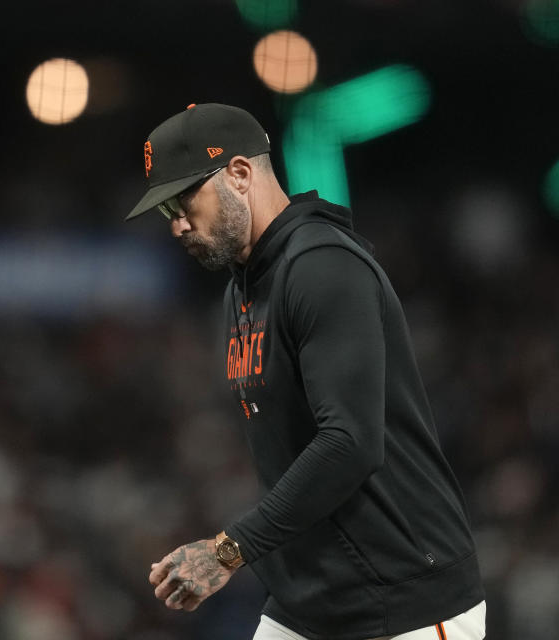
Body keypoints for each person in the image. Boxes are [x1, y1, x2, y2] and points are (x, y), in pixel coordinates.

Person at [126, 103, 486, 639]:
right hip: (308, 600)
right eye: (165, 211)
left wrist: (227, 552)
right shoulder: (242, 288)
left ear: (240, 174)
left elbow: (350, 442)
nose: (177, 223)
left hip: (403, 598)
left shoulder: (321, 265)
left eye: (184, 200)